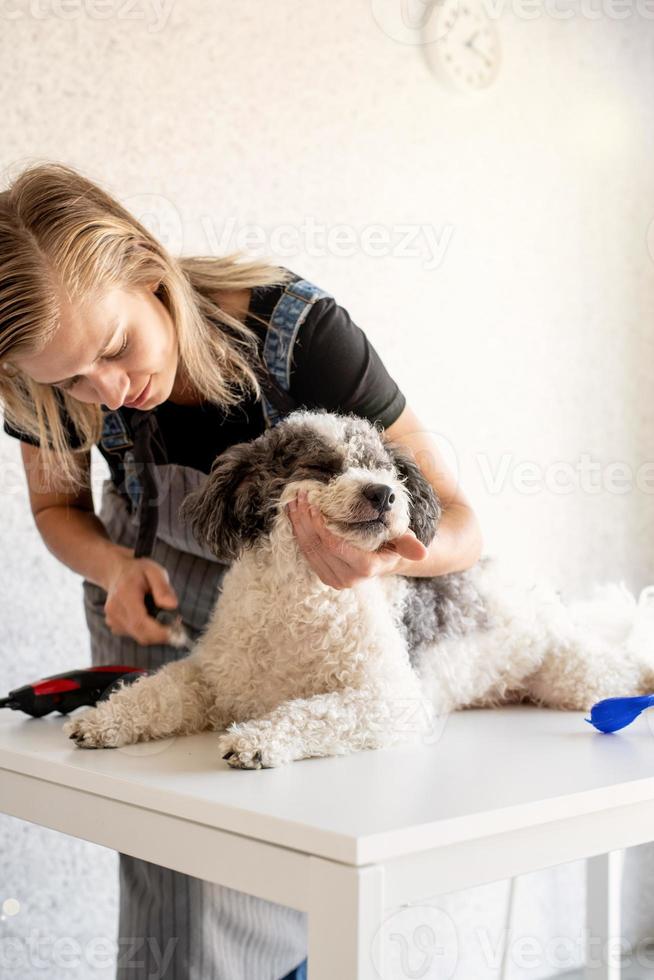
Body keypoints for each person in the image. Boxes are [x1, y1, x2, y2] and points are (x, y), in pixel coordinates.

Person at [0, 161, 483, 980]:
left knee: (271, 844)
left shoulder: (300, 334)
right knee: (163, 853)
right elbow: (60, 513)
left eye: (116, 350)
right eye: (72, 381)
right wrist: (114, 566)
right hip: (148, 601)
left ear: (149, 273)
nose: (108, 391)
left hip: (305, 609)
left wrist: (380, 561)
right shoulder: (31, 378)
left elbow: (457, 519)